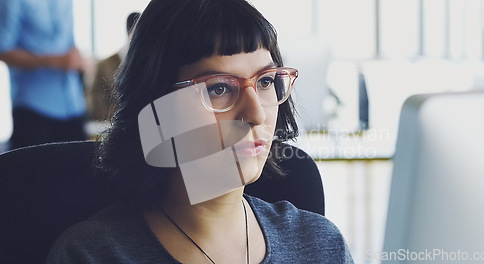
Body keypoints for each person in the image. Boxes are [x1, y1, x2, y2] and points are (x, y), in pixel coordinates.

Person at [46, 0, 353, 263]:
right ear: (157, 108)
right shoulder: (93, 255)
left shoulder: (320, 245)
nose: (256, 113)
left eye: (265, 81)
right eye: (219, 88)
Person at [0, 0, 87, 150]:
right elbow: (3, 50)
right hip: (33, 108)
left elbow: (68, 43)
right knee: (34, 171)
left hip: (73, 105)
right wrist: (53, 61)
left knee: (81, 169)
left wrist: (80, 60)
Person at [87, 12, 141, 121]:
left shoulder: (147, 65)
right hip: (110, 127)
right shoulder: (104, 65)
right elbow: (95, 107)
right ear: (130, 33)